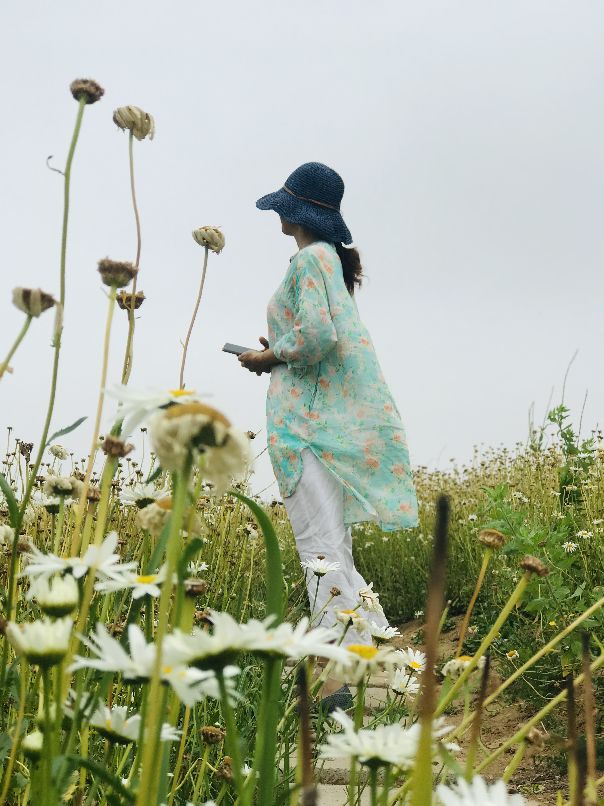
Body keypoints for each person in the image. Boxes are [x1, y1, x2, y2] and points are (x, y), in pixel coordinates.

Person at [238, 162, 418, 709]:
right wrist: (282, 347)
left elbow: (316, 336)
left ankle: (337, 683)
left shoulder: (309, 260)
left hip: (305, 427)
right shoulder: (329, 262)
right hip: (320, 422)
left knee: (318, 549)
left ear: (297, 212)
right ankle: (371, 654)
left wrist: (270, 354)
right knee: (331, 546)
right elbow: (321, 337)